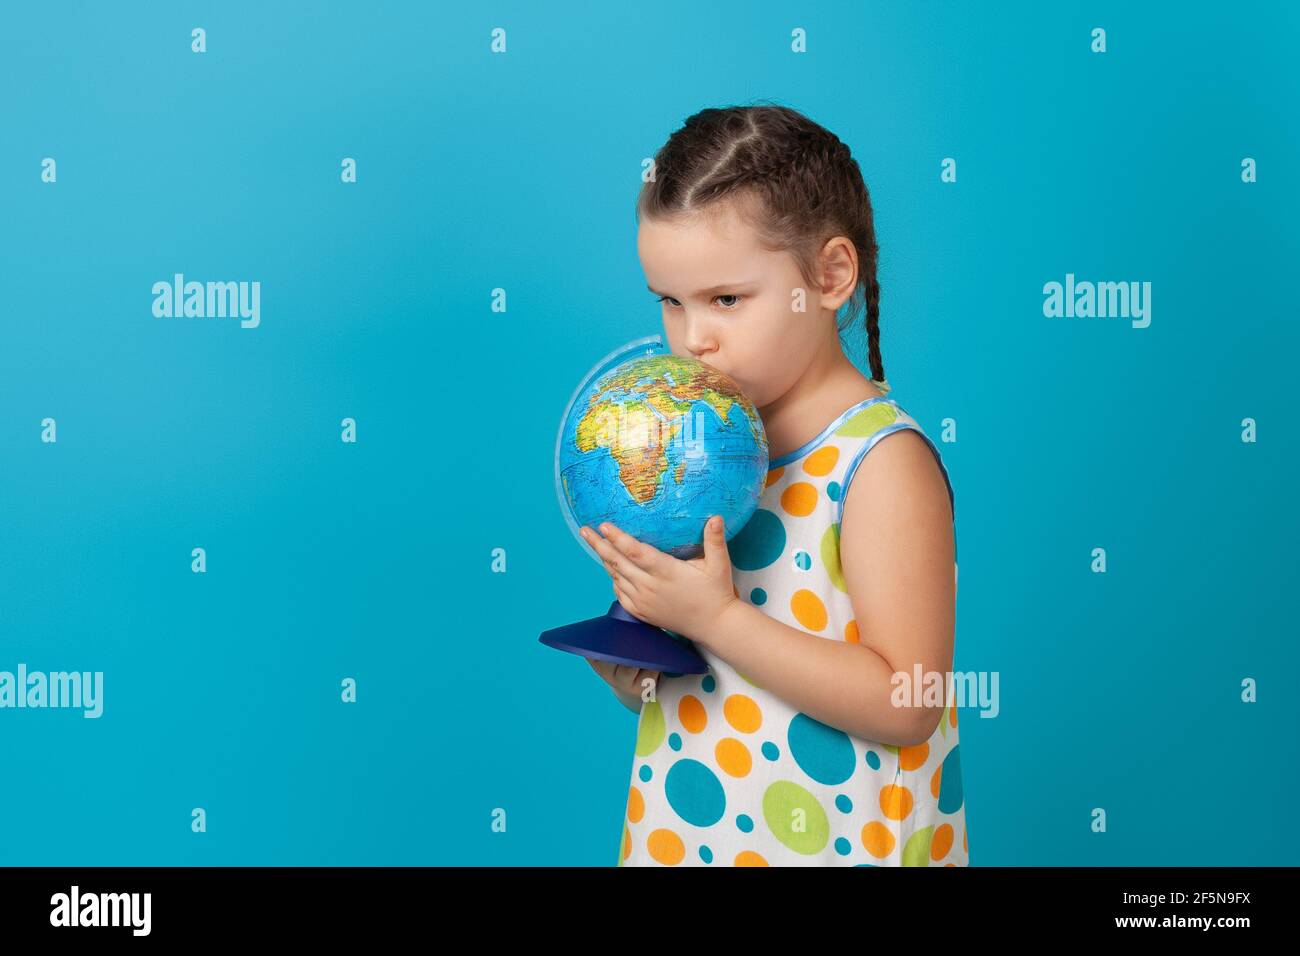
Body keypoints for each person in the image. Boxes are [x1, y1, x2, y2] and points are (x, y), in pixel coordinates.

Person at [581, 103, 967, 867]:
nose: (694, 338)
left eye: (726, 299)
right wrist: (641, 667)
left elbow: (909, 701)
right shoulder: (701, 457)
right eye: (670, 300)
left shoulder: (879, 464)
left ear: (829, 276)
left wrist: (718, 621)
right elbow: (719, 686)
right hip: (693, 837)